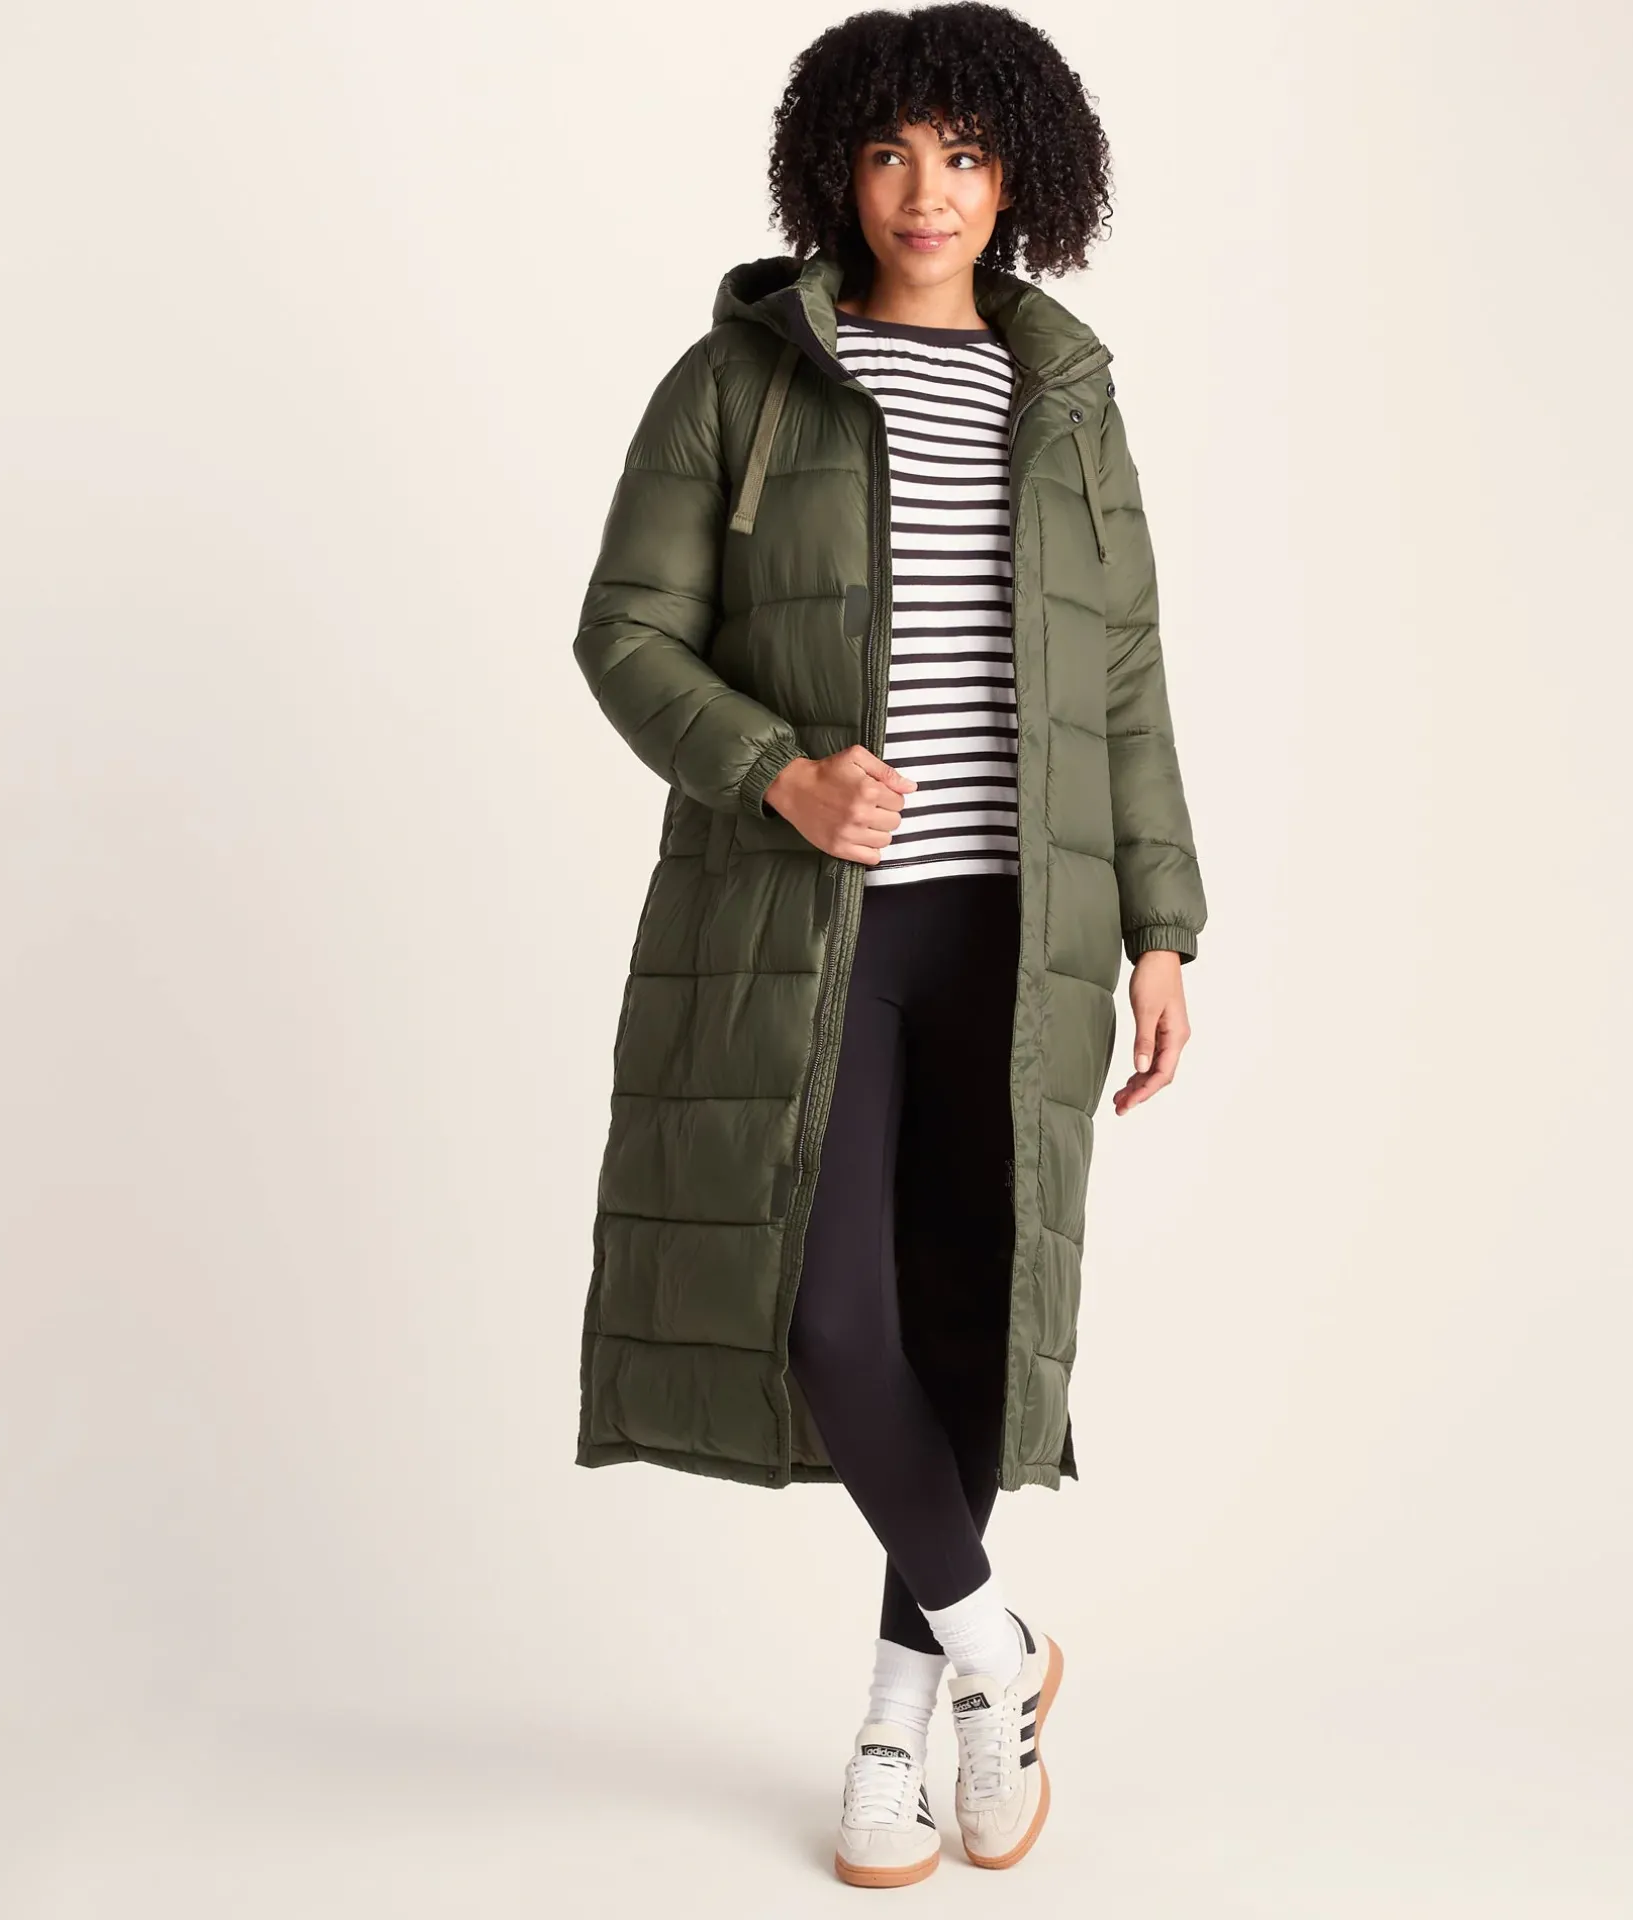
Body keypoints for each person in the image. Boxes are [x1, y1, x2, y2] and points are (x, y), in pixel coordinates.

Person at [569, 3, 1206, 1887]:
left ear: (1022, 180)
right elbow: (625, 633)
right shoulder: (741, 380)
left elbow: (1125, 676)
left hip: (1023, 934)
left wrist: (1161, 925)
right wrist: (777, 772)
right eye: (890, 152)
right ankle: (1002, 1649)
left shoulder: (1064, 396)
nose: (928, 191)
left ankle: (892, 1725)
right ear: (834, 171)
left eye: (967, 155)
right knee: (828, 1312)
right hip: (809, 931)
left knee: (951, 1323)